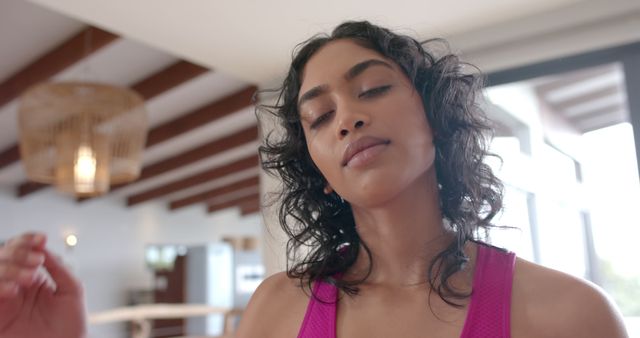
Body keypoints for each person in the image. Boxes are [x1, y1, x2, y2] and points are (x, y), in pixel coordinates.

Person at [0, 21, 628, 338]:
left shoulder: (567, 315)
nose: (348, 118)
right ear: (320, 171)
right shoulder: (277, 309)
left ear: (436, 118)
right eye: (320, 117)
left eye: (373, 89)